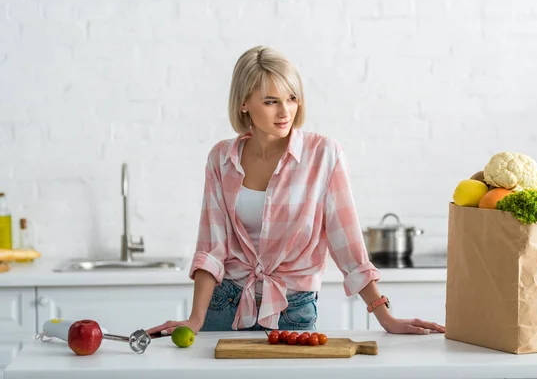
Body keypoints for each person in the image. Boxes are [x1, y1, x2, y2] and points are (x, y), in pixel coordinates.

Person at [147, 46, 446, 335]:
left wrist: (385, 316)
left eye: (291, 98)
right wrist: (195, 319)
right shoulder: (221, 159)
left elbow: (348, 246)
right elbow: (211, 248)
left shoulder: (323, 155)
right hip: (224, 305)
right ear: (243, 103)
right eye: (270, 101)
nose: (285, 111)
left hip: (293, 310)